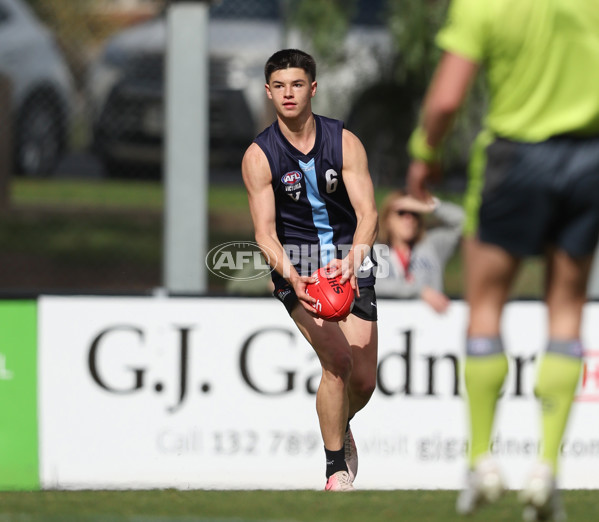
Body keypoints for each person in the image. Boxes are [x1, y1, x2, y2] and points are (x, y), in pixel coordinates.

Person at [405, 0, 599, 519]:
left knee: (487, 304)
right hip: (588, 161)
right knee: (567, 311)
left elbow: (446, 100)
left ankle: (481, 463)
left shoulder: (484, 4)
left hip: (513, 160)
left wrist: (425, 154)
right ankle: (546, 471)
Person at [241, 49, 379, 491]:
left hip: (349, 261)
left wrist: (355, 260)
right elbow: (264, 234)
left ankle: (341, 423)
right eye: (279, 86)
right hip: (296, 268)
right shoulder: (259, 156)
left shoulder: (344, 142)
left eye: (297, 84)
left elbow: (369, 214)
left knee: (363, 379)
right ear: (268, 91)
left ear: (313, 88)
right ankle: (334, 468)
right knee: (337, 362)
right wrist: (293, 276)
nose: (288, 93)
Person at [375, 190, 464, 313]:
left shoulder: (432, 244)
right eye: (401, 213)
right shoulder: (374, 250)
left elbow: (465, 223)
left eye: (414, 213)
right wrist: (419, 291)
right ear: (387, 220)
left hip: (430, 323)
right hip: (388, 324)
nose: (409, 218)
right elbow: (375, 286)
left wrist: (431, 206)